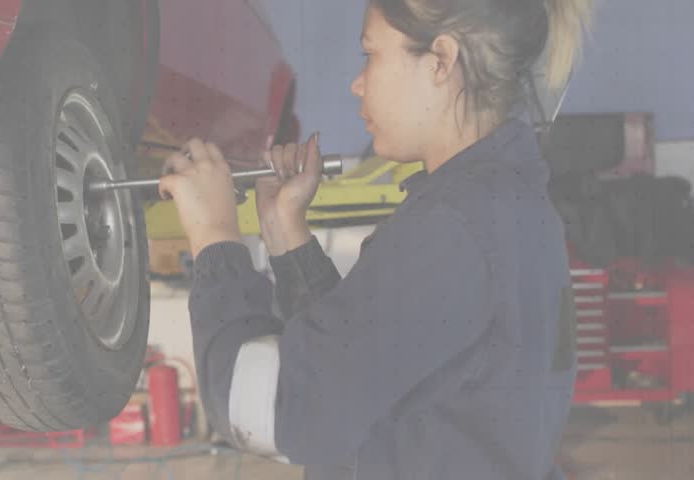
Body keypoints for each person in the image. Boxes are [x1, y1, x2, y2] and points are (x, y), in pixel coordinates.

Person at [157, 0, 594, 478]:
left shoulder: (452, 228)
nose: (357, 82)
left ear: (441, 61)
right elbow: (371, 368)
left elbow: (278, 412)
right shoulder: (505, 205)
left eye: (371, 54)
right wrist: (287, 234)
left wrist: (215, 238)